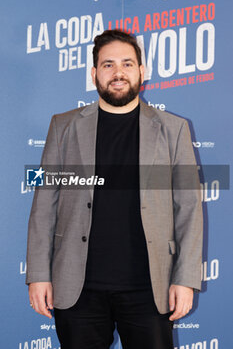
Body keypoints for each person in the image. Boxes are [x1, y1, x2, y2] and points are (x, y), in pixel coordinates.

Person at [26, 29, 203, 349]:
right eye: (108, 65)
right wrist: (38, 273)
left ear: (142, 72)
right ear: (93, 73)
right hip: (78, 289)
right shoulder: (62, 126)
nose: (118, 72)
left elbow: (189, 207)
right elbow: (43, 203)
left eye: (127, 63)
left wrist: (185, 279)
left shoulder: (174, 129)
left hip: (150, 288)